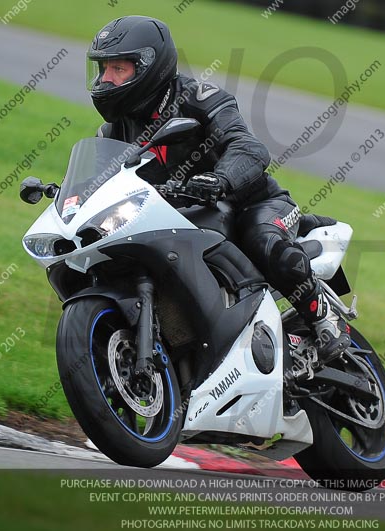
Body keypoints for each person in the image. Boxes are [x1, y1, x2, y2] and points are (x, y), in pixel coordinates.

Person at [86, 16, 350, 364]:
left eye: (118, 69)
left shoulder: (200, 98)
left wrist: (219, 179)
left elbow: (249, 147)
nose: (107, 79)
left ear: (149, 66)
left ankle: (323, 318)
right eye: (103, 69)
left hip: (251, 204)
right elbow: (101, 187)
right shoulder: (112, 133)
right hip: (180, 223)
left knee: (263, 239)